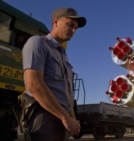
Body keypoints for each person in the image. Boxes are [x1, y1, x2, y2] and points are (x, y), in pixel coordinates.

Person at [20, 7, 87, 141]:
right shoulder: (38, 43)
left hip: (61, 118)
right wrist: (65, 117)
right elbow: (34, 85)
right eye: (70, 25)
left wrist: (72, 118)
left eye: (76, 28)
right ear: (55, 22)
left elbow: (67, 93)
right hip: (44, 116)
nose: (73, 30)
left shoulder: (63, 55)